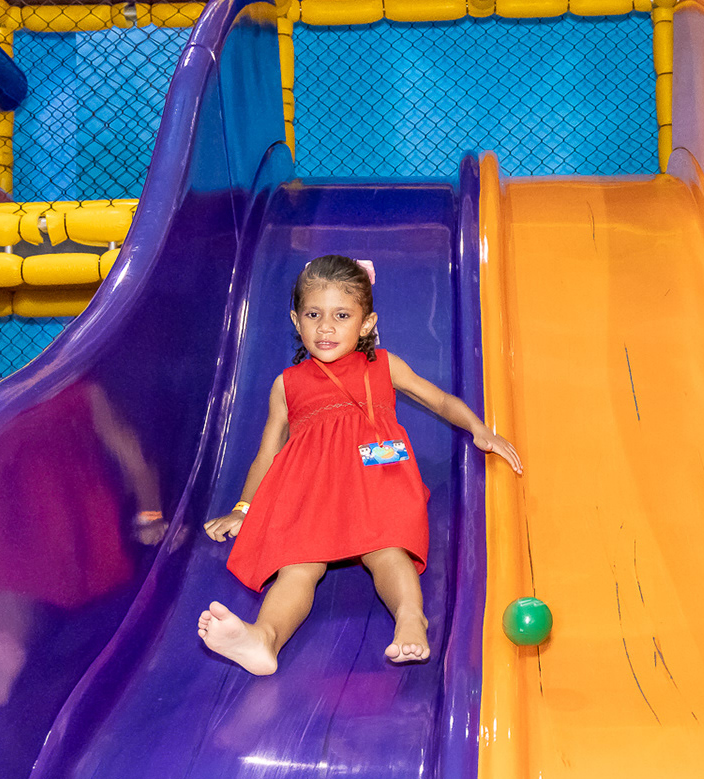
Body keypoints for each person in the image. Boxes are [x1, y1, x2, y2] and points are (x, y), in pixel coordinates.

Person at [197, 254, 521, 675]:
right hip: (313, 492)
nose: (325, 327)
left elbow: (439, 399)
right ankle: (264, 638)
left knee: (386, 551)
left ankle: (411, 618)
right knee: (297, 567)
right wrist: (243, 509)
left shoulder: (382, 366)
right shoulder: (287, 385)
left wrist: (479, 428)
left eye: (341, 315)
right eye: (313, 314)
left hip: (376, 482)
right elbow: (268, 452)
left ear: (366, 324)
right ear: (296, 320)